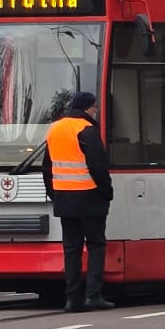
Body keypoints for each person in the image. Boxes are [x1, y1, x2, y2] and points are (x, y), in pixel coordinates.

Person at [42, 91, 115, 312]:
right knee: (95, 245)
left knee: (71, 249)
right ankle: (94, 295)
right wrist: (107, 191)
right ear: (87, 109)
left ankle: (72, 299)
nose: (95, 111)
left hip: (64, 198)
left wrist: (54, 193)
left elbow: (47, 167)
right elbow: (98, 166)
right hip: (90, 197)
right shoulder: (87, 130)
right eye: (94, 108)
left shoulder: (54, 129)